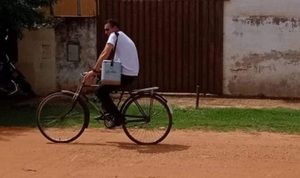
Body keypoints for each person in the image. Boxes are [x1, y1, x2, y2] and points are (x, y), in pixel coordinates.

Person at [85, 19, 139, 128]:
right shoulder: (121, 37)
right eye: (105, 30)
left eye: (107, 29)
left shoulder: (114, 35)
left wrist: (94, 70)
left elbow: (105, 53)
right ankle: (108, 114)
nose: (106, 32)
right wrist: (100, 71)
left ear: (114, 28)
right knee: (102, 83)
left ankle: (118, 117)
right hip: (128, 72)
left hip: (126, 74)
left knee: (100, 92)